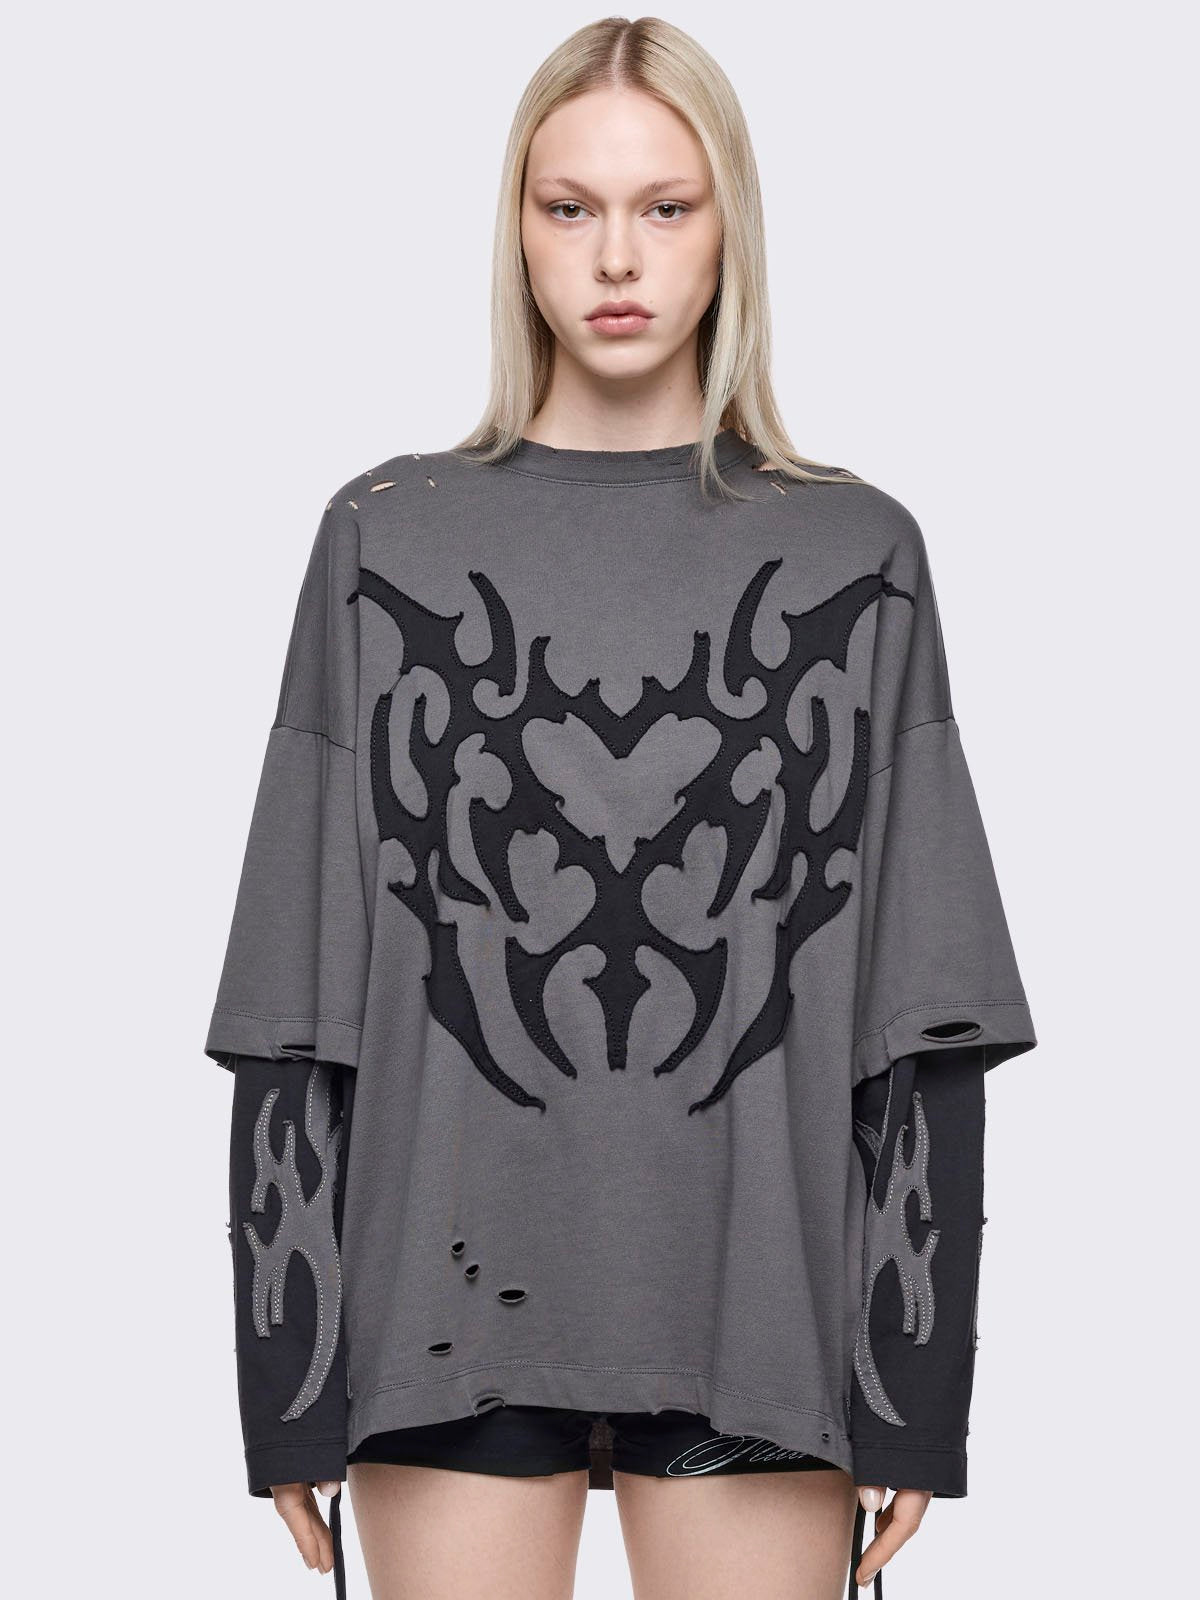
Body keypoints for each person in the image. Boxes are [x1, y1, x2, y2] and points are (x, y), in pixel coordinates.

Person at [204, 17, 1036, 1600]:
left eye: (667, 205)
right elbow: (293, 996)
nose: (617, 259)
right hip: (436, 1325)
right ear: (516, 229)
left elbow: (923, 1006)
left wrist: (916, 1397)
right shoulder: (386, 540)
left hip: (762, 1331)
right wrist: (285, 1378)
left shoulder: (858, 555)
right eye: (569, 206)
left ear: (732, 226)